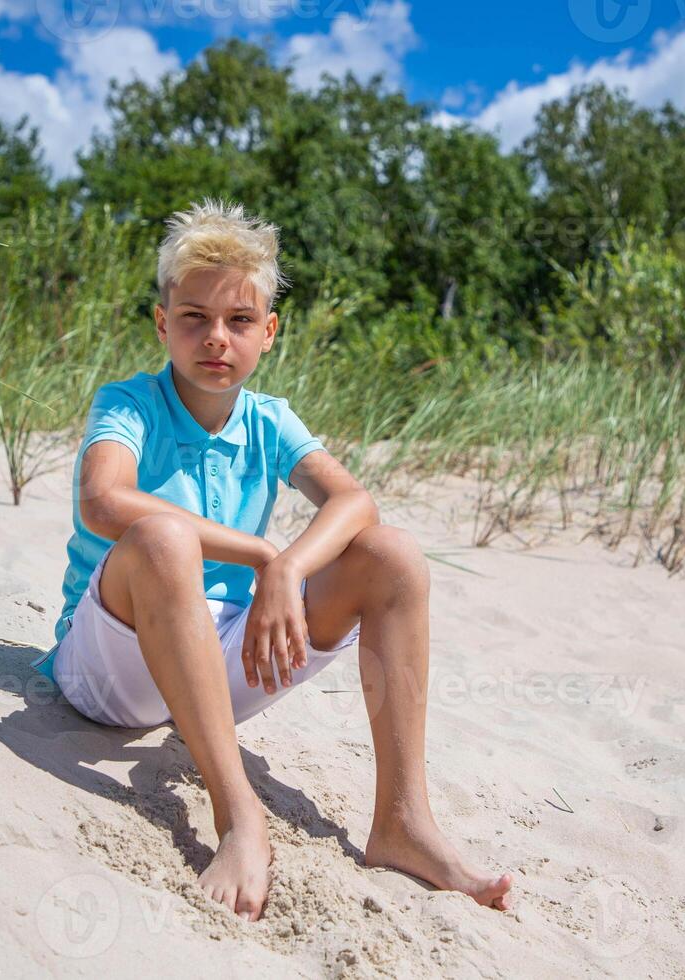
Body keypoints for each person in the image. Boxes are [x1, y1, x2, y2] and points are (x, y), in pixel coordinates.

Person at [31, 199, 514, 921]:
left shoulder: (269, 418)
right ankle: (238, 817)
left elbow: (355, 502)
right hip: (111, 665)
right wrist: (260, 549)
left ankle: (403, 823)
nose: (216, 338)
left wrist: (286, 568)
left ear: (269, 333)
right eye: (193, 317)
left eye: (239, 321)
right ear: (163, 324)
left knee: (393, 557)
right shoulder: (130, 403)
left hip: (220, 656)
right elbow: (105, 501)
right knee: (166, 540)